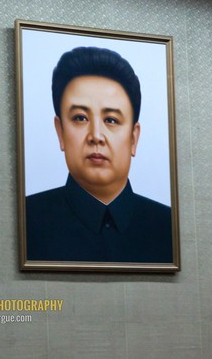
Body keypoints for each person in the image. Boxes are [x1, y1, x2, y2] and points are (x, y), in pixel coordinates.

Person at [26, 46, 172, 263]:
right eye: (80, 118)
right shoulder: (26, 220)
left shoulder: (169, 227)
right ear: (60, 131)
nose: (96, 136)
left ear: (133, 138)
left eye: (111, 120)